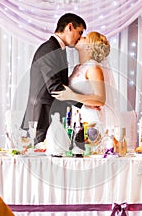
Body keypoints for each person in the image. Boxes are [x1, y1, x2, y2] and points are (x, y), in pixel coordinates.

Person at [21, 13, 87, 144]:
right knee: (40, 160)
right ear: (69, 27)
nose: (80, 38)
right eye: (79, 32)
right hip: (42, 118)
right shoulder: (49, 49)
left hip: (50, 115)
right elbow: (55, 88)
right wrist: (85, 103)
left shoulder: (57, 49)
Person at [52, 31, 118, 130]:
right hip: (76, 117)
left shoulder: (93, 68)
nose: (80, 37)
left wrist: (73, 96)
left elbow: (101, 99)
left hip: (90, 119)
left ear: (89, 47)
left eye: (85, 37)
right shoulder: (78, 67)